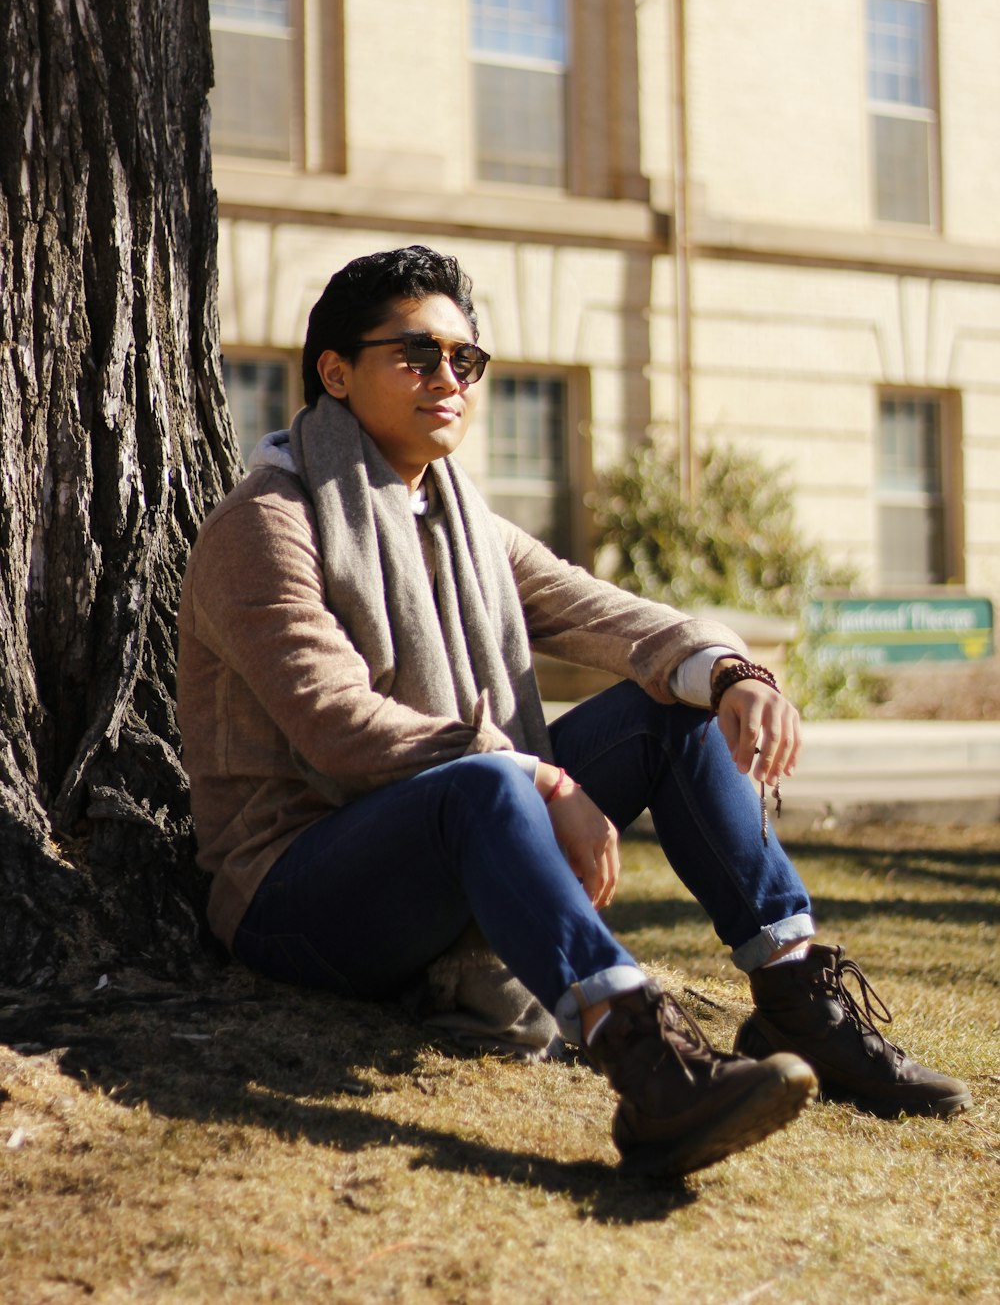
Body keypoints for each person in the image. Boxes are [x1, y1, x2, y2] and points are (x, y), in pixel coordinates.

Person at [177, 245, 971, 1181]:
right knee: (485, 782)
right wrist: (540, 776)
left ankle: (796, 994)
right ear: (337, 372)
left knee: (663, 711)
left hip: (448, 830)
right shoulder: (270, 522)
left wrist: (729, 673)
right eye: (417, 355)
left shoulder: (460, 520)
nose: (449, 379)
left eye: (466, 361)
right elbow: (335, 725)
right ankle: (645, 1061)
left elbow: (611, 617)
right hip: (297, 892)